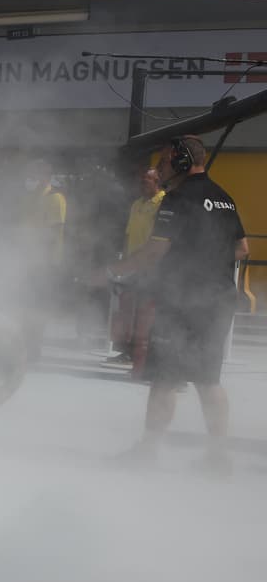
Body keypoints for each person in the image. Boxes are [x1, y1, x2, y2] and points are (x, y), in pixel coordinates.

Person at [88, 136, 249, 473]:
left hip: (183, 300)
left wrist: (110, 271)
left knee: (164, 376)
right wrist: (206, 259)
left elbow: (153, 252)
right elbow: (242, 249)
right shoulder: (224, 198)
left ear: (181, 161)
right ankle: (218, 458)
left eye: (163, 162)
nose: (159, 169)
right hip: (218, 298)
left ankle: (147, 452)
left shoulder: (177, 199)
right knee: (208, 379)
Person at [106, 166, 165, 377]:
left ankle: (145, 359)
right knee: (128, 311)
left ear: (157, 181)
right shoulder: (136, 204)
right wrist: (124, 259)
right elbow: (128, 234)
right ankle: (128, 352)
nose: (142, 184)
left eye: (146, 181)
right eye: (141, 181)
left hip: (150, 266)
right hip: (133, 266)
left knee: (146, 314)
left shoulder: (163, 202)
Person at [16, 161, 67, 359]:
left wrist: (43, 259)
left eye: (36, 174)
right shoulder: (29, 198)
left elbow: (55, 232)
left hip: (45, 261)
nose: (33, 178)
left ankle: (34, 345)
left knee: (38, 304)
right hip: (27, 259)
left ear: (46, 176)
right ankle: (25, 341)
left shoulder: (55, 198)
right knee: (25, 302)